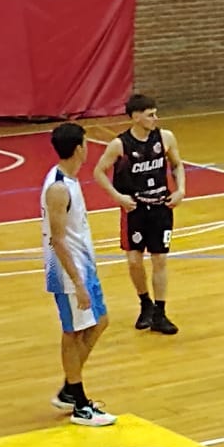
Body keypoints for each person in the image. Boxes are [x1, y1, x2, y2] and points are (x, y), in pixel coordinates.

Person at [92, 94, 185, 335]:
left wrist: (180, 190)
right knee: (134, 261)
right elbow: (99, 172)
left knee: (160, 260)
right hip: (134, 209)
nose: (155, 118)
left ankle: (160, 313)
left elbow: (177, 164)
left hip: (161, 207)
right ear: (135, 117)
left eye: (155, 113)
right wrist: (118, 197)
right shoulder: (120, 144)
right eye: (150, 114)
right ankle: (145, 303)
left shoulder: (165, 137)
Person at [43, 123, 116, 427]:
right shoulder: (58, 188)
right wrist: (76, 282)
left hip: (84, 266)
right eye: (86, 143)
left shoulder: (70, 180)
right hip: (68, 272)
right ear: (78, 149)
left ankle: (69, 388)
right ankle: (80, 404)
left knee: (100, 321)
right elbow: (58, 240)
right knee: (72, 332)